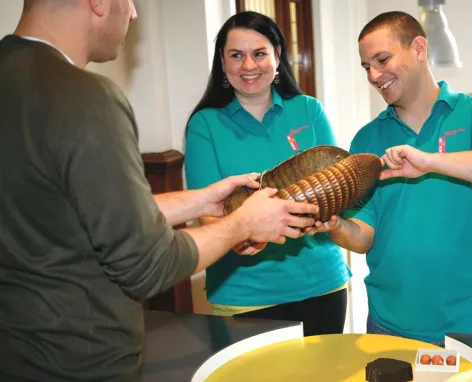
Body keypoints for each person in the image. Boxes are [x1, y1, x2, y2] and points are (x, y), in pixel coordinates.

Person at [0, 1, 319, 381]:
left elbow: (76, 212)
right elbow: (146, 264)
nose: (134, 13)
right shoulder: (86, 96)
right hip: (78, 361)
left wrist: (202, 199)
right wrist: (242, 224)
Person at [307, 11, 472, 346]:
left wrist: (430, 161)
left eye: (382, 59)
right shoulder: (366, 140)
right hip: (389, 325)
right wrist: (337, 228)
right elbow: (365, 237)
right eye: (366, 66)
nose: (373, 75)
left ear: (419, 48)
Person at [184, 11, 351, 336]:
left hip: (322, 287)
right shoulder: (204, 125)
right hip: (244, 297)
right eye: (236, 55)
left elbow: (337, 187)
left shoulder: (308, 110)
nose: (249, 66)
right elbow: (207, 216)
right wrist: (241, 236)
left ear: (278, 56)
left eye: (259, 53)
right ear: (222, 61)